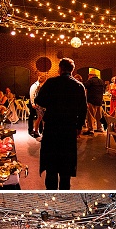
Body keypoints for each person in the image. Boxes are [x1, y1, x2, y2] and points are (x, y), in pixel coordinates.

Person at [36, 57, 87, 189]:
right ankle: (65, 188)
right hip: (69, 128)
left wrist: (52, 104)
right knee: (66, 164)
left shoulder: (51, 82)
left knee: (51, 163)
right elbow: (83, 109)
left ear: (60, 68)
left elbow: (39, 100)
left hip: (52, 126)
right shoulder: (79, 86)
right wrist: (79, 126)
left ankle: (51, 189)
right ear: (72, 70)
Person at [28, 74, 46, 139]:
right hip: (37, 104)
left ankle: (41, 131)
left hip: (41, 104)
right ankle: (34, 131)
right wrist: (33, 103)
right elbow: (32, 95)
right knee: (38, 118)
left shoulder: (41, 87)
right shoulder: (35, 86)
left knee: (41, 118)